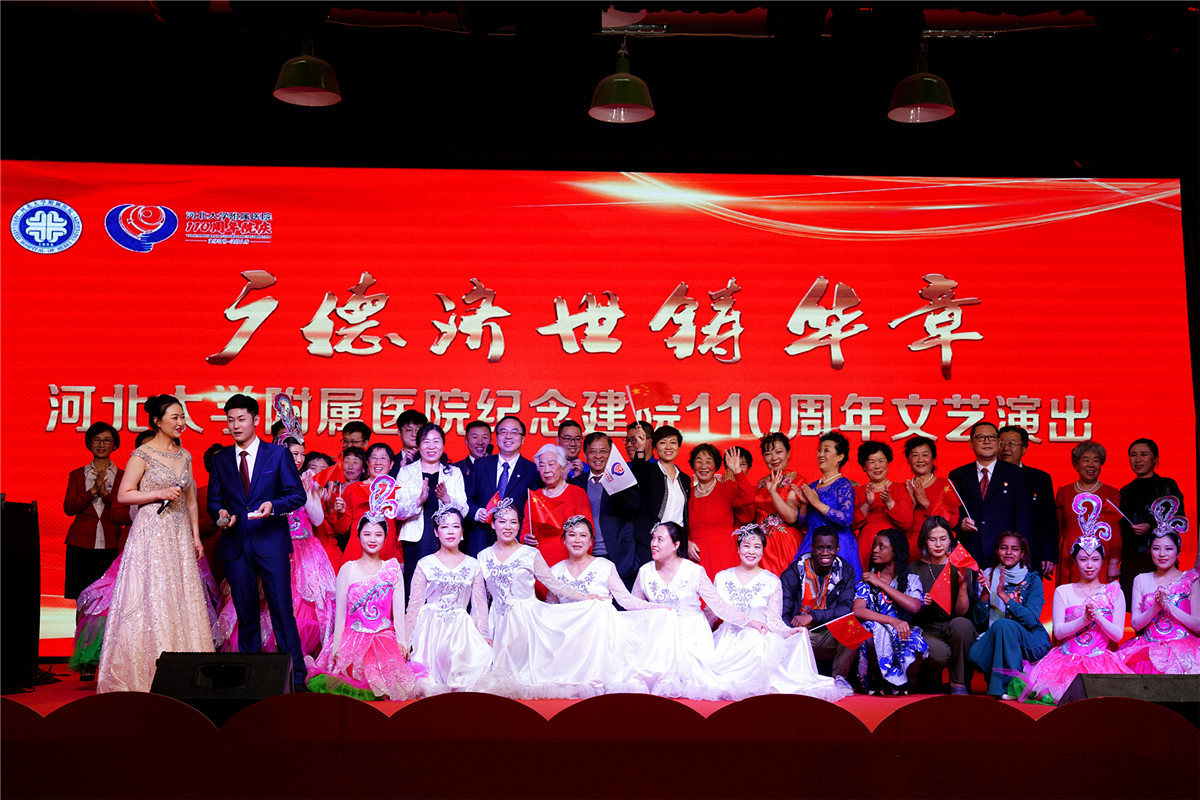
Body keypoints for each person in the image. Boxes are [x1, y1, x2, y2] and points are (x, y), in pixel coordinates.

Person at [97, 395, 215, 692]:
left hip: (178, 534)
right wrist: (158, 493)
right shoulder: (142, 454)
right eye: (175, 417)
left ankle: (185, 672)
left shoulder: (185, 455)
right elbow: (124, 494)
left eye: (182, 417)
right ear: (157, 421)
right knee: (151, 595)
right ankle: (144, 671)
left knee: (180, 596)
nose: (181, 423)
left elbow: (190, 500)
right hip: (151, 532)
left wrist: (195, 536)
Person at [480, 514, 669, 698]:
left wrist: (656, 608)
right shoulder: (556, 571)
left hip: (598, 638)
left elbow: (626, 599)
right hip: (568, 640)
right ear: (563, 540)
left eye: (583, 535)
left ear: (591, 541)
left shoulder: (605, 566)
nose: (577, 540)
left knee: (600, 608)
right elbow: (552, 610)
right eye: (572, 535)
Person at [207, 393, 309, 691]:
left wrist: (273, 506)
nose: (235, 426)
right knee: (246, 611)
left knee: (281, 610)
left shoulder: (277, 455)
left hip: (271, 542)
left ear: (255, 420)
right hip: (235, 544)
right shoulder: (221, 459)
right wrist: (220, 513)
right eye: (230, 420)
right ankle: (249, 680)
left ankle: (296, 677)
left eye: (241, 419)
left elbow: (297, 495)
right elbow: (214, 501)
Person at [710, 524, 853, 702]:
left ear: (763, 550)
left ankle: (840, 677)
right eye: (746, 546)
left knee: (852, 627)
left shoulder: (771, 581)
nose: (751, 551)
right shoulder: (722, 577)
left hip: (764, 637)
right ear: (738, 548)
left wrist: (792, 629)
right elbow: (714, 611)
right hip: (729, 638)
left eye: (757, 547)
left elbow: (774, 619)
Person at [1012, 493, 1131, 704]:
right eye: (1083, 559)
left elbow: (1117, 635)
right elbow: (1058, 632)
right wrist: (1083, 620)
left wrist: (1098, 618)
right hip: (1066, 660)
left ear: (1102, 561)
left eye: (1095, 559)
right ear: (1075, 562)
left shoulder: (1114, 592)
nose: (1089, 565)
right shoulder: (1063, 591)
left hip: (1101, 661)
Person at [631, 522, 770, 700]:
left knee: (697, 684)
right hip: (657, 636)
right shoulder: (645, 571)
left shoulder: (694, 571)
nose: (654, 544)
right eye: (653, 538)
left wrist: (748, 621)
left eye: (660, 539)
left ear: (675, 545)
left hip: (690, 636)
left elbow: (718, 605)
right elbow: (634, 606)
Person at [305, 501, 421, 700]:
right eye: (367, 534)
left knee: (388, 687)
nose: (372, 539)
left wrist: (402, 642)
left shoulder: (392, 568)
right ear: (358, 536)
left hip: (383, 639)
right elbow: (341, 613)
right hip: (352, 638)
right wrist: (337, 644)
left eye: (378, 534)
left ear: (385, 537)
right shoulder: (348, 569)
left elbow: (398, 610)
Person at [404, 508, 492, 695]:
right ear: (436, 532)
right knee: (429, 684)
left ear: (462, 531)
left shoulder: (473, 565)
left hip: (460, 629)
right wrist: (406, 640)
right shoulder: (425, 564)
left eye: (455, 526)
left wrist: (483, 634)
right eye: (444, 527)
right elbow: (414, 605)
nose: (450, 531)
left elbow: (479, 605)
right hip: (429, 630)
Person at [274, 413, 337, 659]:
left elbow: (317, 519)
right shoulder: (270, 480)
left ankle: (303, 658)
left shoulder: (306, 481)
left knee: (311, 605)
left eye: (302, 454)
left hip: (307, 550)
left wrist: (309, 492)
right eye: (294, 454)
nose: (299, 459)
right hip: (279, 548)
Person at [1117, 498, 1198, 674]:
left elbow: (1198, 624)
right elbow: (1136, 624)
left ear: (1178, 551)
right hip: (1148, 648)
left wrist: (1169, 607)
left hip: (1184, 649)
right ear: (1149, 550)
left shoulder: (1191, 579)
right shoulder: (1141, 579)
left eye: (1168, 549)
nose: (1162, 554)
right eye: (1156, 548)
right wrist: (1156, 607)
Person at [967, 532, 1052, 698]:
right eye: (1003, 548)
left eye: (1015, 549)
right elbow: (977, 619)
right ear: (997, 551)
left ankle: (1007, 687)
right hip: (997, 637)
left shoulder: (1032, 579)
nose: (1008, 552)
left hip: (1029, 637)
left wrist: (1003, 596)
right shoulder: (987, 575)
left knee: (1003, 625)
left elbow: (1030, 620)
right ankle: (1008, 685)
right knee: (975, 654)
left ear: (1022, 553)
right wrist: (986, 593)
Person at [851, 528, 928, 695]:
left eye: (881, 546)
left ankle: (902, 682)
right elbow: (858, 610)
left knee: (912, 639)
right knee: (873, 632)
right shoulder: (868, 579)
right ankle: (876, 679)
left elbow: (915, 606)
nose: (875, 550)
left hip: (902, 630)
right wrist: (892, 621)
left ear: (895, 552)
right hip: (875, 629)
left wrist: (882, 584)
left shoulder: (911, 580)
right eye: (874, 546)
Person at [394, 423, 469, 594]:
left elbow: (464, 510)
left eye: (436, 441)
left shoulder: (454, 473)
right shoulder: (406, 472)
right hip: (416, 540)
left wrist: (447, 499)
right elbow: (397, 511)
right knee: (415, 588)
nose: (431, 446)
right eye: (426, 441)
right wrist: (418, 501)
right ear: (418, 446)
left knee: (445, 587)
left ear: (443, 444)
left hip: (447, 538)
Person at [948, 421, 1032, 567]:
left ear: (999, 443)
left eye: (992, 437)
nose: (987, 441)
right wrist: (961, 522)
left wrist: (1021, 553)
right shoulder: (957, 475)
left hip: (1004, 553)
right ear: (971, 443)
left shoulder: (1017, 475)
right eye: (981, 437)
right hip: (968, 552)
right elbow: (950, 512)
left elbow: (1023, 518)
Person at [63, 422, 130, 603]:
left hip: (111, 542)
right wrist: (92, 491)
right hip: (80, 543)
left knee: (109, 597)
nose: (101, 445)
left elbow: (125, 512)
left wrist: (105, 494)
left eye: (107, 440)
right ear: (89, 444)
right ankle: (81, 623)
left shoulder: (124, 476)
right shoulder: (77, 475)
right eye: (97, 440)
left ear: (114, 445)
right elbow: (69, 508)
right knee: (81, 597)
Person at [780, 525, 858, 680]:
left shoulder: (845, 571)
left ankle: (840, 680)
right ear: (812, 548)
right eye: (820, 548)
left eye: (830, 548)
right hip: (798, 633)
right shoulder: (793, 573)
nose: (825, 553)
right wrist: (794, 631)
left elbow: (845, 609)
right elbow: (783, 613)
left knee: (853, 628)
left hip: (828, 633)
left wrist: (812, 616)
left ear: (837, 549)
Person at [1119, 437, 1190, 606]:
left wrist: (1151, 528)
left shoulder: (1167, 485)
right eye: (1133, 455)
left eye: (1143, 454)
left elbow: (1178, 520)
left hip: (1160, 559)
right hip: (1132, 560)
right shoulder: (1125, 491)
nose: (1137, 459)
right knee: (1135, 608)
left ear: (1156, 459)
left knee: (1166, 606)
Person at [911, 516, 977, 695]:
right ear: (924, 541)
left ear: (950, 540)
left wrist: (962, 587)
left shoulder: (960, 566)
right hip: (926, 628)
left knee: (963, 625)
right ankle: (929, 678)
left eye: (943, 539)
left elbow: (962, 612)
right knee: (940, 654)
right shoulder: (914, 568)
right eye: (932, 540)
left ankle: (958, 682)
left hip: (953, 625)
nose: (938, 544)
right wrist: (919, 602)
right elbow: (908, 610)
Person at [568, 432, 641, 587]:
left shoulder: (624, 479)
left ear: (611, 453)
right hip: (586, 556)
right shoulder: (575, 484)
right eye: (593, 451)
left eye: (603, 451)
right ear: (585, 454)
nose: (598, 456)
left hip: (620, 556)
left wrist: (614, 483)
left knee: (620, 601)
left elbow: (634, 507)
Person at [465, 415, 541, 556]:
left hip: (515, 543)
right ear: (497, 437)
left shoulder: (532, 471)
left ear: (523, 438)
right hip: (480, 539)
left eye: (514, 432)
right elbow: (466, 498)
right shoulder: (480, 465)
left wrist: (525, 533)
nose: (508, 436)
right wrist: (477, 513)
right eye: (503, 432)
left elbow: (534, 510)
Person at [1054, 440, 1122, 587]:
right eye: (1086, 460)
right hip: (1069, 559)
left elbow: (1115, 531)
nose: (1091, 465)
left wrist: (1114, 563)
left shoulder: (1111, 493)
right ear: (1076, 465)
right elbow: (1056, 530)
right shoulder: (1064, 492)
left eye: (1096, 461)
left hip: (1101, 560)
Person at [794, 431, 860, 580]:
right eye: (819, 450)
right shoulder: (813, 486)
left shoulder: (843, 484)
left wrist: (817, 503)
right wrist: (804, 504)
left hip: (837, 546)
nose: (821, 454)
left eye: (826, 450)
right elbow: (803, 523)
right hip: (811, 544)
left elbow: (846, 519)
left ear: (840, 457)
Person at [686, 443, 754, 579]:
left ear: (716, 466)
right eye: (699, 461)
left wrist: (737, 472)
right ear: (693, 465)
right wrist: (685, 543)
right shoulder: (687, 494)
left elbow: (749, 497)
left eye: (708, 461)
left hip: (724, 558)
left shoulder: (727, 489)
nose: (703, 466)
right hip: (696, 560)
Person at [998, 425, 1059, 577]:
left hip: (1031, 552)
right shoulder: (987, 476)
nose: (1005, 448)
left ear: (1024, 449)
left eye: (1012, 443)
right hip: (995, 554)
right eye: (1001, 443)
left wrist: (1049, 555)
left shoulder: (1040, 479)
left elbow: (1049, 521)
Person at [522, 444, 594, 569]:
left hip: (569, 562)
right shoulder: (534, 496)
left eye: (551, 464)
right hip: (538, 562)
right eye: (542, 465)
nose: (546, 470)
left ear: (562, 467)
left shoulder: (577, 493)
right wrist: (526, 538)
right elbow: (525, 531)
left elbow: (588, 534)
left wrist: (581, 565)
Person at [629, 426, 691, 569]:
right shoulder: (648, 471)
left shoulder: (685, 479)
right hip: (650, 543)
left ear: (679, 446)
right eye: (663, 442)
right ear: (655, 447)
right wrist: (640, 450)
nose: (668, 447)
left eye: (673, 442)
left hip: (677, 544)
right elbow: (637, 474)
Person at [850, 442, 914, 574]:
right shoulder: (858, 491)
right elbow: (851, 524)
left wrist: (890, 503)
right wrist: (867, 504)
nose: (877, 466)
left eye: (881, 461)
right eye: (872, 462)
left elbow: (907, 523)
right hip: (865, 547)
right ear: (864, 467)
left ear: (888, 463)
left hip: (893, 549)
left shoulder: (900, 489)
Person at [335, 443, 401, 563]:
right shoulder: (353, 489)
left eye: (383, 458)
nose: (378, 462)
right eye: (374, 458)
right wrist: (341, 513)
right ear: (367, 463)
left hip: (386, 551)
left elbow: (401, 529)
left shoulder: (398, 491)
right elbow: (342, 529)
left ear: (391, 464)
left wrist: (400, 558)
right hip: (357, 550)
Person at [750, 433, 804, 576]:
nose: (774, 458)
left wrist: (773, 493)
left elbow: (791, 517)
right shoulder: (761, 483)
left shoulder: (796, 480)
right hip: (760, 545)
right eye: (768, 454)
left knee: (785, 585)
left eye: (779, 452)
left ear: (788, 453)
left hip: (784, 543)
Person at [902, 436, 960, 557]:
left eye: (925, 455)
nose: (920, 459)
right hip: (907, 548)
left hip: (937, 549)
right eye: (915, 455)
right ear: (908, 459)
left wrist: (926, 503)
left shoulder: (945, 485)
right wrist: (912, 505)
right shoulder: (902, 487)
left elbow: (953, 521)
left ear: (933, 459)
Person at [388, 409, 429, 476]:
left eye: (418, 430)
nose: (414, 434)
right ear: (399, 432)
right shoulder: (390, 462)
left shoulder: (431, 461)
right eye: (409, 430)